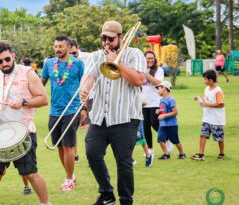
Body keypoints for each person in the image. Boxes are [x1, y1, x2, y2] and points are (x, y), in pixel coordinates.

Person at [80, 20, 146, 205]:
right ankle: (107, 194)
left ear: (121, 37)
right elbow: (90, 78)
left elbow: (139, 80)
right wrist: (85, 90)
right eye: (103, 38)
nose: (106, 42)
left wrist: (116, 62)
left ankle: (126, 200)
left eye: (110, 38)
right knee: (92, 153)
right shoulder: (94, 56)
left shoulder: (135, 54)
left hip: (125, 118)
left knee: (123, 162)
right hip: (100, 117)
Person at [0, 43, 50, 205]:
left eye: (7, 59)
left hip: (23, 132)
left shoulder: (28, 73)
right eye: (0, 61)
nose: (4, 63)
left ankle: (46, 203)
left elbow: (44, 99)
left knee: (30, 174)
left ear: (13, 55)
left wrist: (24, 101)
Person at [41, 35, 84, 191]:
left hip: (72, 109)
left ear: (68, 47)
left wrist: (84, 108)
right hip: (54, 110)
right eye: (55, 46)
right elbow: (41, 84)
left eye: (60, 46)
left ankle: (68, 179)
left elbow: (84, 86)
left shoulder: (78, 64)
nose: (57, 49)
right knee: (59, 146)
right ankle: (70, 175)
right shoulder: (49, 64)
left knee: (68, 146)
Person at [191, 70, 226, 161]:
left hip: (216, 119)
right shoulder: (206, 89)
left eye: (205, 79)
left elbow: (221, 104)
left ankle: (221, 153)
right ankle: (201, 154)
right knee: (203, 135)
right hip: (207, 118)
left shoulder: (218, 91)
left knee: (219, 138)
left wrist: (208, 105)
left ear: (211, 80)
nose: (204, 81)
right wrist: (198, 99)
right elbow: (205, 102)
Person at [155, 81, 186, 160]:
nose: (158, 91)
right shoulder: (161, 100)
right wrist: (159, 111)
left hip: (172, 124)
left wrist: (164, 115)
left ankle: (182, 154)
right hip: (163, 124)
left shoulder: (171, 99)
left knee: (175, 140)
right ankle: (166, 154)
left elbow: (175, 112)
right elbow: (163, 109)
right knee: (160, 139)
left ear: (164, 88)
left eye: (159, 89)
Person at [141, 51, 164, 156]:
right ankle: (150, 150)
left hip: (155, 100)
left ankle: (166, 137)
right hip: (143, 101)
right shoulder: (139, 69)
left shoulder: (159, 70)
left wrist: (146, 74)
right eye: (147, 58)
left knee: (154, 122)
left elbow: (157, 82)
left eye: (152, 58)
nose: (150, 60)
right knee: (146, 126)